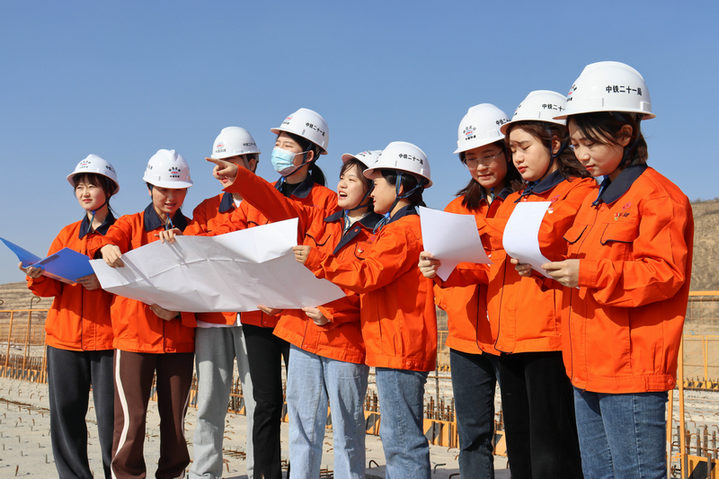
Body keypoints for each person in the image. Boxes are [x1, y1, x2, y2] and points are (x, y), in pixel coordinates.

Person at [542, 61, 694, 479]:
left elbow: (664, 274)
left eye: (591, 143)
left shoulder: (659, 197)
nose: (582, 155)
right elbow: (584, 266)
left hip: (630, 372)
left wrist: (587, 274)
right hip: (585, 366)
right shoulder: (596, 201)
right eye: (575, 143)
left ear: (626, 134)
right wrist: (545, 269)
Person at [209, 149, 382, 478]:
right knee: (302, 430)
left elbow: (367, 288)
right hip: (302, 337)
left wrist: (333, 315)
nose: (343, 184)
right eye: (342, 177)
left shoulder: (377, 235)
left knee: (347, 430)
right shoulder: (318, 220)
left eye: (352, 179)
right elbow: (276, 203)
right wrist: (242, 178)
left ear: (371, 189)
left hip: (344, 344)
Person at [293, 141, 437, 478]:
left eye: (377, 183)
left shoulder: (403, 230)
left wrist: (319, 261)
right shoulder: (395, 227)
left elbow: (366, 274)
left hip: (399, 347)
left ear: (400, 186)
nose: (373, 192)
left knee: (402, 442)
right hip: (391, 345)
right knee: (397, 438)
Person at [481, 90, 594, 478]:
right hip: (509, 339)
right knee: (522, 449)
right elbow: (492, 253)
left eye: (525, 147)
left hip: (549, 339)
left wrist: (483, 229)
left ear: (555, 143)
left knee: (553, 450)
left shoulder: (578, 191)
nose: (517, 158)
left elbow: (545, 235)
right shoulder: (514, 200)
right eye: (512, 149)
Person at [419, 103, 520, 478]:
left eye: (489, 155)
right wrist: (441, 283)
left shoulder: (524, 201)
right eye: (471, 158)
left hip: (512, 338)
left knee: (521, 433)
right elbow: (444, 271)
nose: (480, 166)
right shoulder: (457, 207)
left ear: (507, 151)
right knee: (473, 437)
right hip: (465, 341)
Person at [91, 149, 196, 479]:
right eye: (163, 189)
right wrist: (107, 247)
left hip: (179, 341)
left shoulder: (194, 232)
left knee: (175, 421)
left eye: (178, 190)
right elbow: (107, 240)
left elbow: (204, 286)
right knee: (132, 420)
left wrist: (178, 312)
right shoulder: (129, 224)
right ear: (149, 188)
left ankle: (173, 474)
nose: (170, 197)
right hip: (134, 339)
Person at [21, 155, 119, 479]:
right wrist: (37, 275)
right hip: (64, 339)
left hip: (109, 340)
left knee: (112, 420)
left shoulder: (122, 233)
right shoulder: (66, 234)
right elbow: (51, 286)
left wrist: (104, 281)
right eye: (80, 186)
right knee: (65, 416)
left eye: (92, 185)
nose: (85, 192)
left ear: (109, 189)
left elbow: (134, 285)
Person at [185, 127, 259, 479]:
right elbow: (192, 255)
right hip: (213, 318)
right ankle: (205, 473)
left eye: (230, 161)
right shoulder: (205, 210)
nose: (221, 170)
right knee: (209, 402)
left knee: (258, 403)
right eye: (217, 163)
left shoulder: (270, 203)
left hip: (256, 317)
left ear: (252, 163)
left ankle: (259, 471)